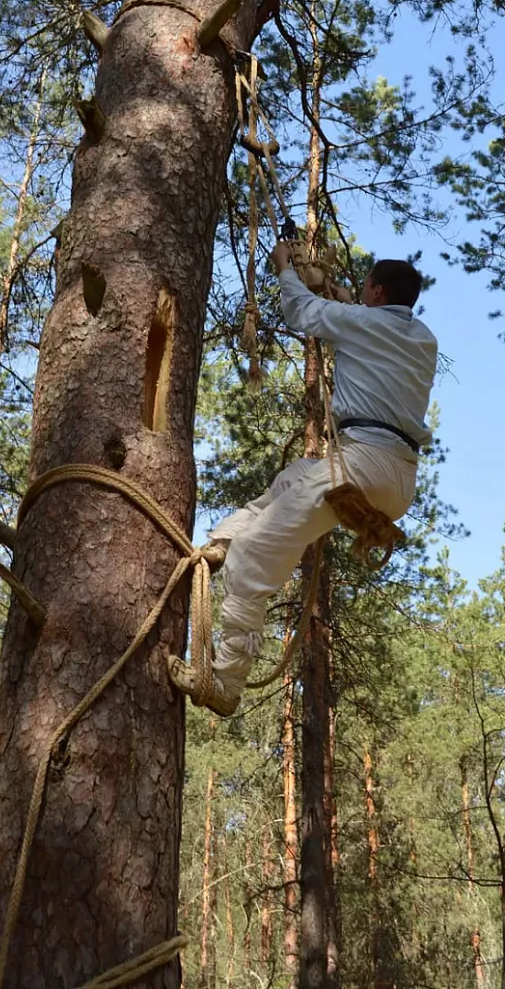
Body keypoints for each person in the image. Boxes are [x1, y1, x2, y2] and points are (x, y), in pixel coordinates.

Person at [170, 243, 438, 716]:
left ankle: (225, 682)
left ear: (375, 291)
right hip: (398, 476)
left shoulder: (365, 322)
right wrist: (345, 302)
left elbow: (301, 311)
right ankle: (224, 540)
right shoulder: (422, 339)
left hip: (362, 462)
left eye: (364, 289)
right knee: (292, 480)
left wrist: (284, 271)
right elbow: (364, 324)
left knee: (254, 563)